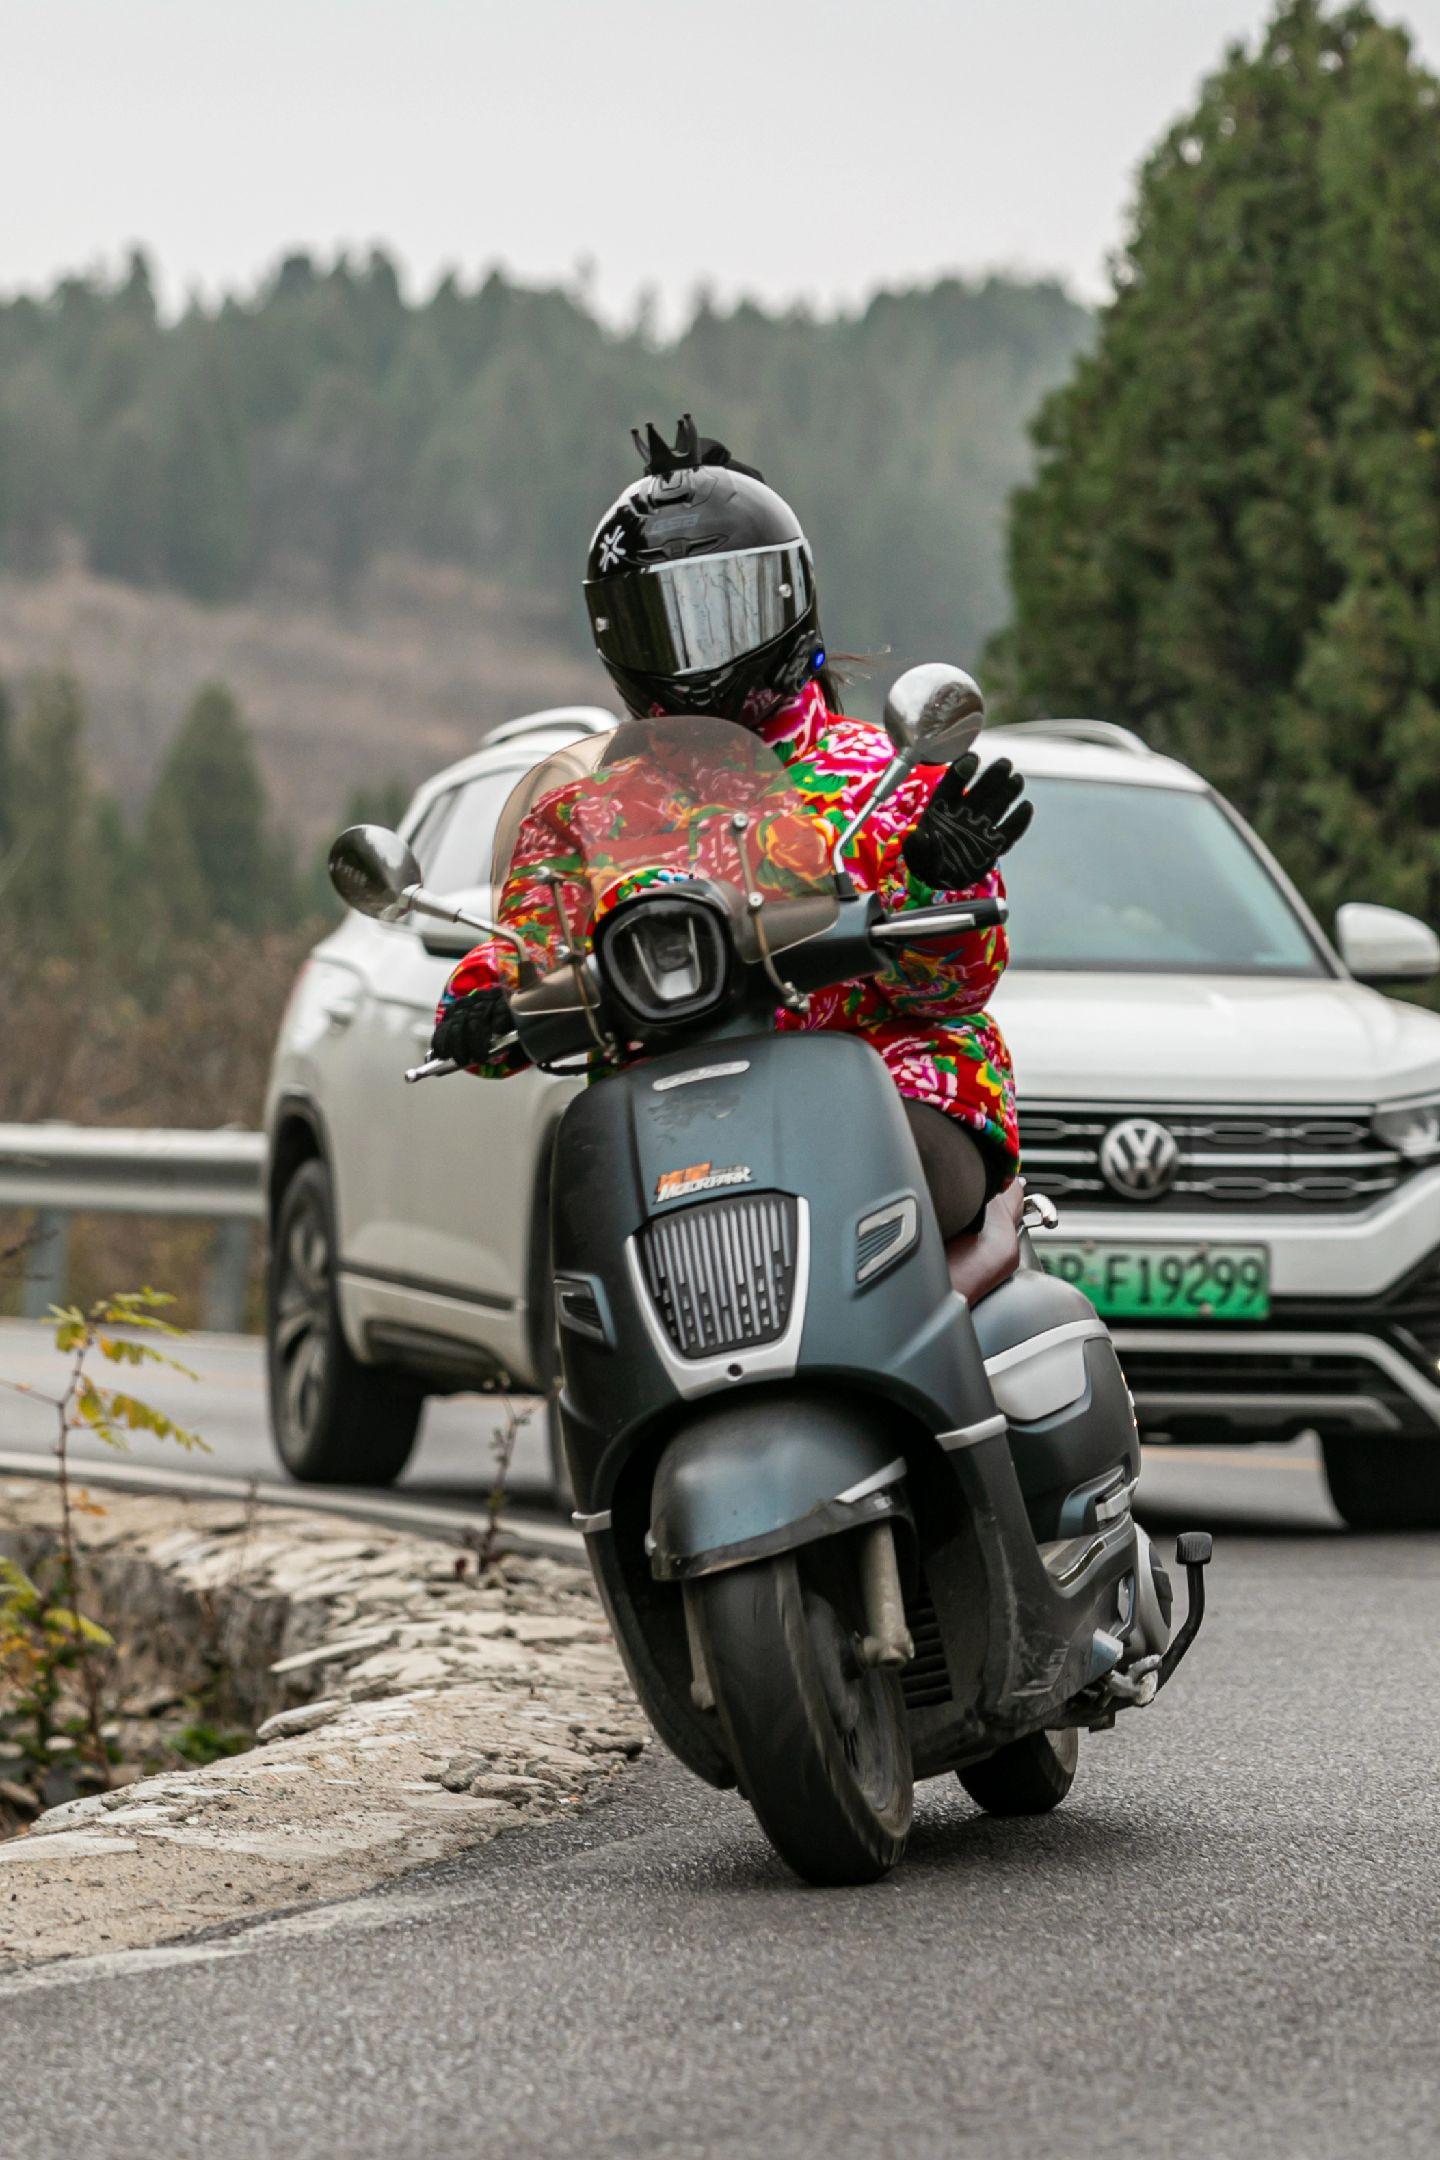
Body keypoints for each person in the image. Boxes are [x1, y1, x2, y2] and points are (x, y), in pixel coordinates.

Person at [432, 415, 1033, 1244]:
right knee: (580, 1207)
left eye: (723, 609)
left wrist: (939, 882)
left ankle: (931, 1328)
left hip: (888, 1092)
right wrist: (482, 1003)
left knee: (882, 1163)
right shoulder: (583, 814)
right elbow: (526, 954)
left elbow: (953, 991)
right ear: (614, 633)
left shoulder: (888, 776)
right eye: (663, 618)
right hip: (669, 1128)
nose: (694, 648)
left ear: (787, 598)